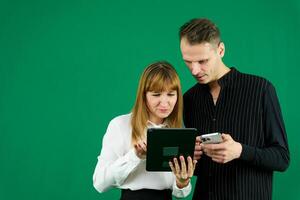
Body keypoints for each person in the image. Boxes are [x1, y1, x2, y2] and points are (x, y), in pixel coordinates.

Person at [179, 18, 290, 200]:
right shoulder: (189, 99)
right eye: (188, 62)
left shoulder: (261, 89)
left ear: (221, 50)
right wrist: (191, 158)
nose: (194, 70)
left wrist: (240, 151)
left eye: (202, 61)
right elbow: (199, 168)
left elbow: (282, 158)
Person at [93, 61, 197, 200]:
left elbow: (180, 193)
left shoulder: (177, 131)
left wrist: (182, 182)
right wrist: (135, 156)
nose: (165, 102)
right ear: (144, 95)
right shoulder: (120, 125)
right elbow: (100, 183)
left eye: (171, 94)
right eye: (156, 94)